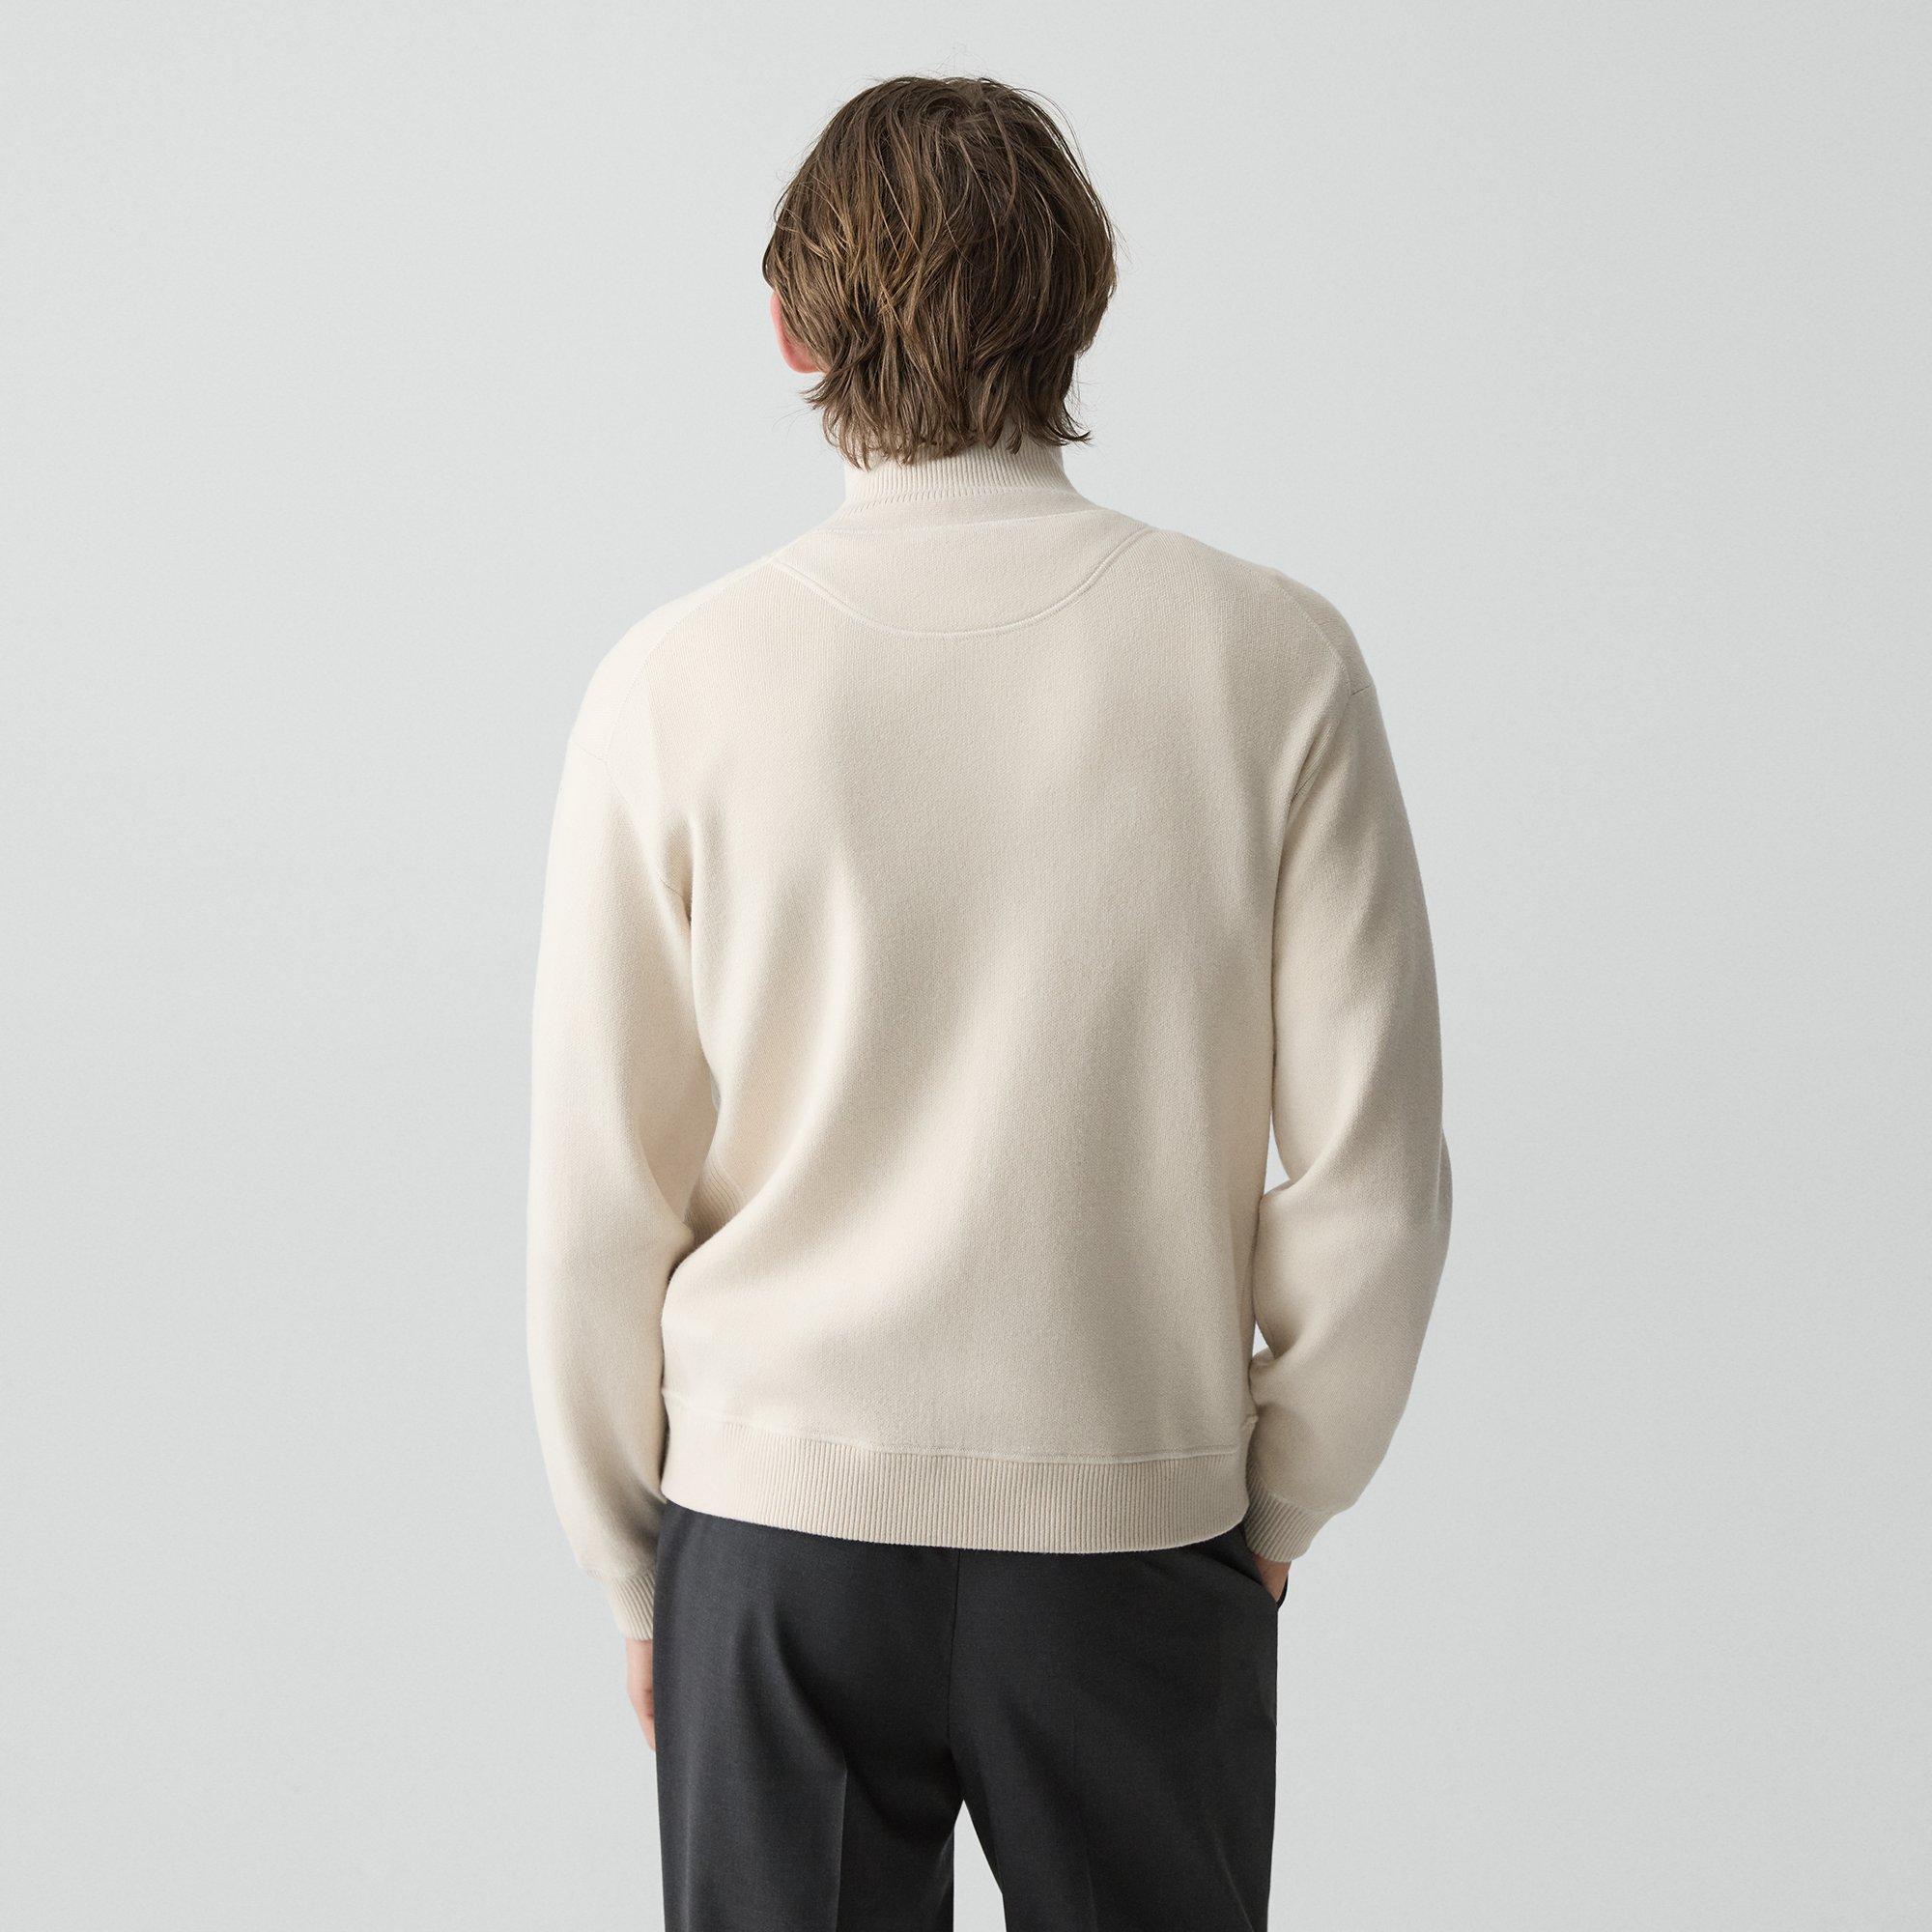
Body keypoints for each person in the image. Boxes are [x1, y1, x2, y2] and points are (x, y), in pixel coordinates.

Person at [528, 73, 1451, 1932]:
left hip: (775, 1537)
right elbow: (1373, 1175)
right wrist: (1279, 1498)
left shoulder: (675, 682)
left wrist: (638, 1568)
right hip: (1133, 1518)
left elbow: (598, 1197)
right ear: (1081, 310)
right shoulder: (1274, 660)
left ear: (790, 330)